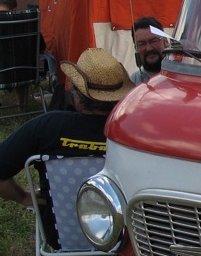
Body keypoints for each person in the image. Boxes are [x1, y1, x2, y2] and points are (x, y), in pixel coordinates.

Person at [0, 47, 133, 212]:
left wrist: (23, 197)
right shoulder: (134, 130)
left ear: (78, 95)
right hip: (130, 230)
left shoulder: (48, 127)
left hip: (61, 233)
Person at [131, 16, 170, 84]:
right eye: (142, 44)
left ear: (166, 41)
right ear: (136, 48)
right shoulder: (133, 82)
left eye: (154, 41)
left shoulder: (183, 75)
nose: (149, 48)